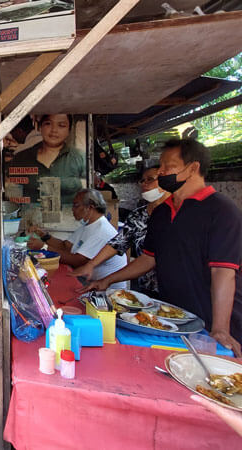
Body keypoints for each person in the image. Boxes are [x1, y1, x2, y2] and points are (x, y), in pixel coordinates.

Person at [83, 139, 242, 356]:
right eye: (162, 165)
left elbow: (223, 272)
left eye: (169, 166)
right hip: (174, 317)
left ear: (193, 168)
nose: (162, 172)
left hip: (214, 324)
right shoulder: (161, 213)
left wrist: (221, 328)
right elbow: (149, 258)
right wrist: (107, 281)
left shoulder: (221, 211)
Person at [70, 166, 169, 295]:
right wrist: (91, 265)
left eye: (150, 179)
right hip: (147, 287)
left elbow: (150, 258)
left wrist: (106, 278)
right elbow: (118, 243)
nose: (144, 184)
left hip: (175, 288)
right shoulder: (138, 215)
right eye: (142, 180)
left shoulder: (178, 214)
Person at [28, 189, 128, 289]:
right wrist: (42, 235)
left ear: (90, 207)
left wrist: (43, 247)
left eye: (76, 205)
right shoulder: (88, 226)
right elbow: (65, 246)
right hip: (89, 282)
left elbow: (77, 261)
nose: (72, 209)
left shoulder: (101, 230)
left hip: (105, 290)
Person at [7, 114, 86, 204]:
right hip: (31, 217)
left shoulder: (80, 158)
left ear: (69, 131)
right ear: (40, 128)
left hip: (70, 216)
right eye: (48, 124)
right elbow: (13, 196)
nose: (54, 130)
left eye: (61, 125)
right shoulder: (21, 158)